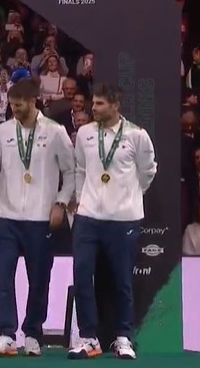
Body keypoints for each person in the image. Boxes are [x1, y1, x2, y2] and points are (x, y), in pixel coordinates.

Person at [0, 80, 75, 356]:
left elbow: (70, 173)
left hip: (40, 218)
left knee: (39, 279)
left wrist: (60, 202)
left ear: (34, 101)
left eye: (19, 104)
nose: (15, 109)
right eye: (12, 104)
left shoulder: (55, 132)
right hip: (5, 216)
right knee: (4, 277)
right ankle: (6, 334)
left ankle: (33, 333)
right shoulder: (1, 132)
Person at [69, 83, 157, 360]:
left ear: (115, 106)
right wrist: (82, 200)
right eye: (93, 103)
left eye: (99, 104)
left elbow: (148, 172)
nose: (93, 108)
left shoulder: (137, 135)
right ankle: (89, 337)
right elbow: (80, 169)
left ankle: (123, 337)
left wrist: (129, 196)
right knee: (82, 275)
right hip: (88, 217)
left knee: (122, 280)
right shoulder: (85, 133)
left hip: (123, 219)